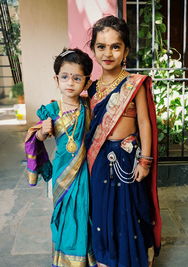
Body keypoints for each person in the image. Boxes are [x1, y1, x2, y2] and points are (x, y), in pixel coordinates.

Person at [85, 16, 161, 267]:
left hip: (128, 159)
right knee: (103, 212)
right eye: (101, 46)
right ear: (93, 48)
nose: (108, 53)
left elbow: (144, 123)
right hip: (98, 159)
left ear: (126, 50)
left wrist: (145, 160)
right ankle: (106, 258)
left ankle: (137, 257)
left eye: (115, 46)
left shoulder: (134, 84)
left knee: (133, 210)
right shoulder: (92, 88)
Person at [25, 48, 97, 267]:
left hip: (85, 170)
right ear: (56, 79)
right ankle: (66, 260)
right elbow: (33, 137)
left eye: (77, 78)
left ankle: (84, 258)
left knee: (84, 213)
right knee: (64, 216)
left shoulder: (89, 106)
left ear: (86, 82)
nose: (70, 83)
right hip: (62, 172)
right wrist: (42, 132)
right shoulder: (51, 110)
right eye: (65, 77)